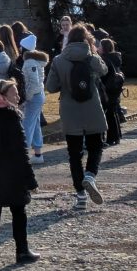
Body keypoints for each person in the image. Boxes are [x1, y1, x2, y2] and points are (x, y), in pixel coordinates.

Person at [0, 79, 40, 270]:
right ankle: (22, 251)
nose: (18, 96)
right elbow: (21, 151)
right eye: (14, 93)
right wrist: (31, 180)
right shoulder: (11, 117)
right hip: (12, 173)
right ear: (3, 96)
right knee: (19, 212)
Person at [45, 24, 108, 210]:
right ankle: (90, 176)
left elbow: (51, 87)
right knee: (96, 146)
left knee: (74, 154)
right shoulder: (91, 56)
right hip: (92, 108)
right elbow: (104, 71)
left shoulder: (58, 60)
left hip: (70, 110)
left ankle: (80, 195)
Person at [19, 42, 49, 163]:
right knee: (35, 124)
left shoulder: (29, 62)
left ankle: (23, 155)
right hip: (38, 95)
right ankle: (37, 154)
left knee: (27, 124)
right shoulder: (34, 61)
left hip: (34, 97)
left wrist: (26, 98)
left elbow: (33, 83)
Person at [100, 38, 124, 146]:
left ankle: (111, 137)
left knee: (109, 114)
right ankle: (117, 136)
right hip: (115, 88)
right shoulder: (116, 57)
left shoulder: (105, 59)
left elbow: (103, 75)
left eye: (100, 46)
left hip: (108, 89)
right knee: (113, 113)